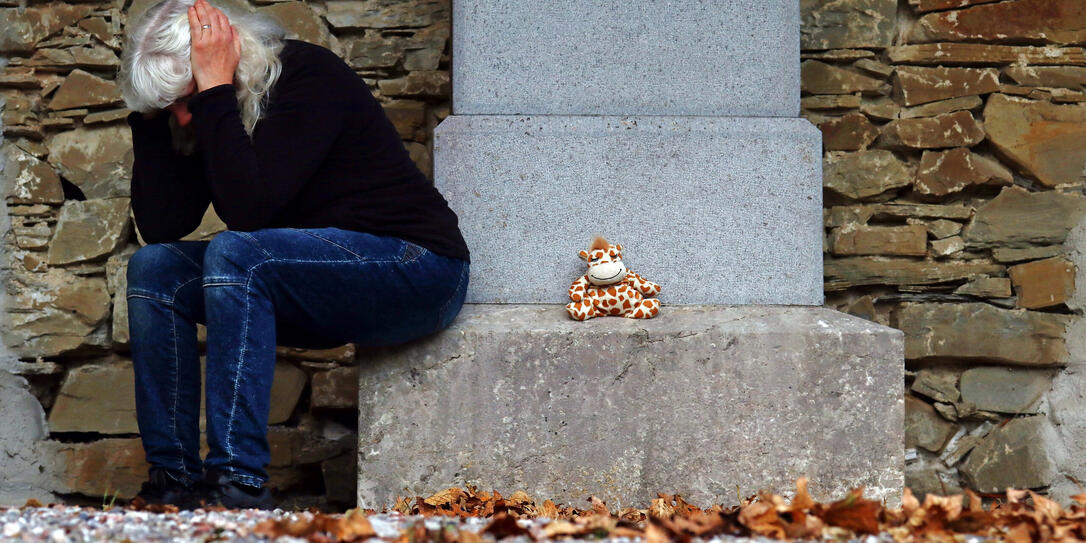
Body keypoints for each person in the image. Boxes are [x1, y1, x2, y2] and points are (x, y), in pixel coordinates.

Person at [118, 0, 470, 510]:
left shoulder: (306, 75)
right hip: (310, 281)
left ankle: (236, 482)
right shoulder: (203, 112)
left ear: (224, 60)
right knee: (154, 271)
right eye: (172, 104)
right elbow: (162, 226)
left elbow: (250, 211)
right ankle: (172, 482)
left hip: (416, 270)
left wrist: (213, 90)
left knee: (237, 254)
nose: (183, 115)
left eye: (185, 97)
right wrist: (154, 117)